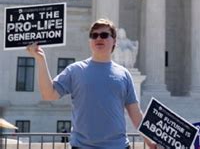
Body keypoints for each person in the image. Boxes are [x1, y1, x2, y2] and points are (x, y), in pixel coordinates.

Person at [26, 19, 156, 149]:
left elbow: (135, 114)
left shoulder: (124, 74)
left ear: (114, 41)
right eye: (94, 35)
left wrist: (152, 142)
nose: (98, 38)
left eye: (104, 35)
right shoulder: (75, 70)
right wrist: (41, 60)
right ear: (90, 41)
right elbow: (49, 94)